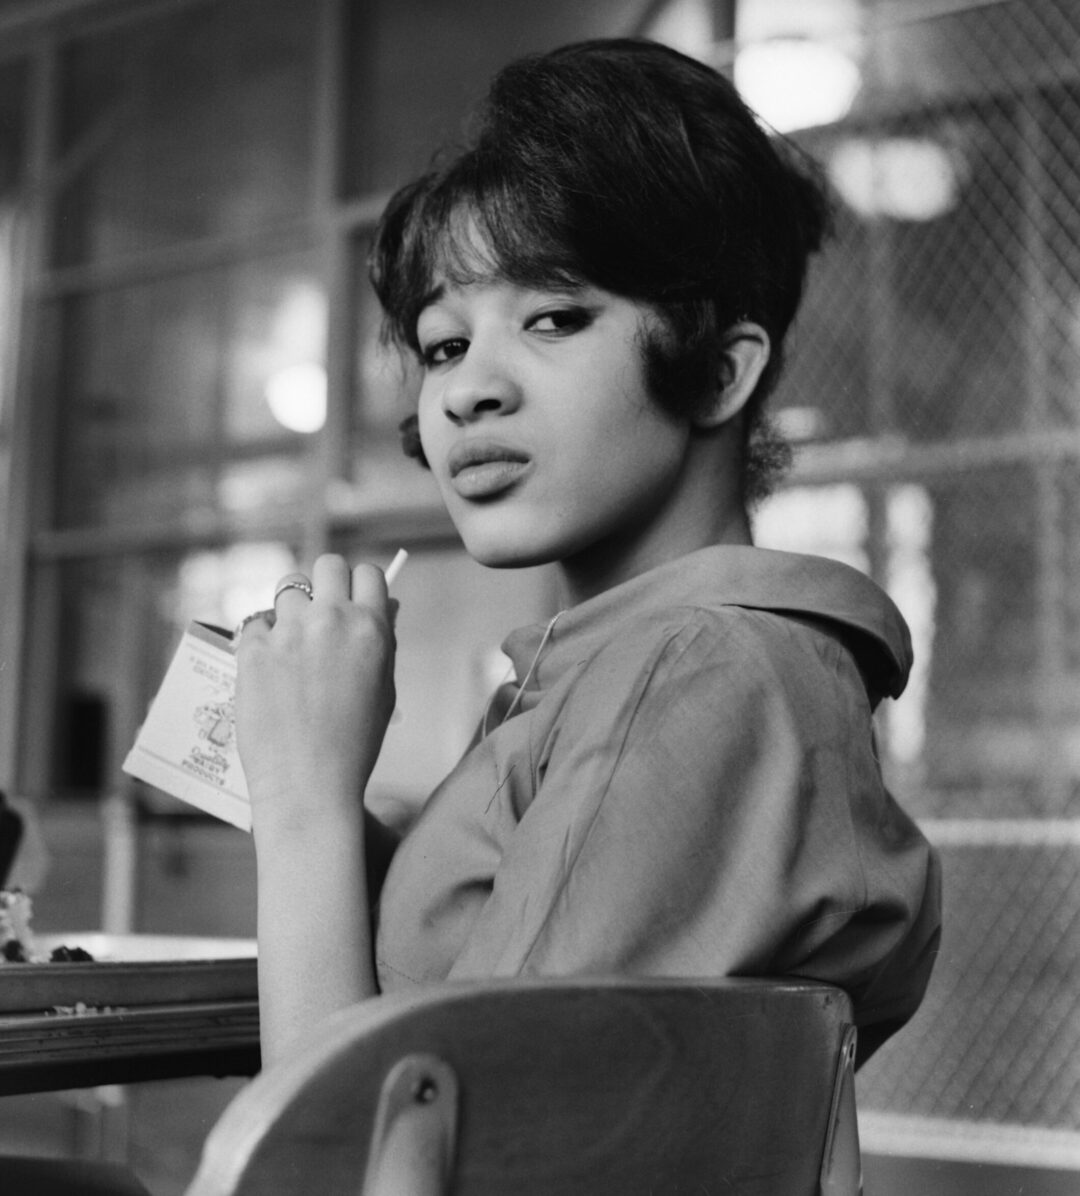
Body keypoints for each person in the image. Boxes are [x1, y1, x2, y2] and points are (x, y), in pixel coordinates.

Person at [235, 37, 941, 1069]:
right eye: (444, 343)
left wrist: (302, 805)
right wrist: (319, 789)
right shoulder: (639, 671)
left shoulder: (697, 674)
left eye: (556, 316)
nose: (471, 388)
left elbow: (408, 1149)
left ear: (717, 373)